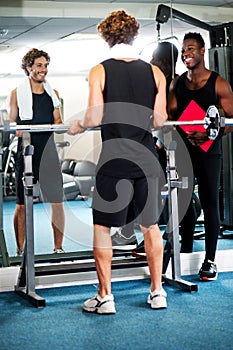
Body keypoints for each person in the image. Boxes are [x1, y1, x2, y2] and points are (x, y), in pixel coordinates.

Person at [68, 10, 168, 313]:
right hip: (148, 160)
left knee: (102, 227)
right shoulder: (155, 72)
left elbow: (95, 116)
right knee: (150, 227)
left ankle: (105, 296)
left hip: (115, 160)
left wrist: (78, 127)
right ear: (134, 36)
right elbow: (161, 119)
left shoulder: (100, 70)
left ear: (106, 37)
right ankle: (158, 291)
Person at [167, 32, 233, 281]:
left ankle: (210, 260)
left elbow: (230, 120)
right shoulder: (177, 83)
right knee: (182, 202)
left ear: (203, 51)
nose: (187, 54)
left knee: (209, 203)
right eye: (184, 50)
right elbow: (171, 118)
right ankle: (183, 252)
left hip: (209, 152)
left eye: (191, 49)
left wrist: (209, 134)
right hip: (184, 152)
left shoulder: (218, 83)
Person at [9, 48, 65, 256]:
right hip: (26, 152)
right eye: (39, 65)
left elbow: (58, 121)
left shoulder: (54, 94)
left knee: (57, 203)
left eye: (46, 65)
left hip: (49, 153)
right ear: (28, 67)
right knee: (22, 205)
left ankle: (58, 248)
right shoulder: (16, 94)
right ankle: (20, 250)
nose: (44, 70)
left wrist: (63, 126)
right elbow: (13, 125)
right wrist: (18, 129)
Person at [132, 41, 179, 257]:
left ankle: (177, 242)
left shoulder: (176, 84)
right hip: (155, 145)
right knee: (153, 196)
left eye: (155, 59)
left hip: (175, 147)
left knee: (176, 195)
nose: (151, 62)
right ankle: (154, 239)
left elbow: (166, 115)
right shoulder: (153, 81)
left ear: (167, 62)